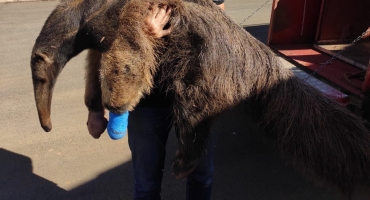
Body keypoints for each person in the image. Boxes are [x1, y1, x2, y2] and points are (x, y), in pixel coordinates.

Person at [87, 1, 225, 199]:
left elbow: (218, 26)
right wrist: (95, 106)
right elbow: (101, 34)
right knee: (146, 185)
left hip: (196, 96)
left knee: (201, 176)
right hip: (145, 99)